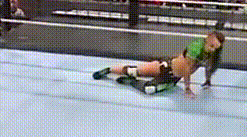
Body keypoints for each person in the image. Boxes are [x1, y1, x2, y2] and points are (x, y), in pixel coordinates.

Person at [92, 31, 225, 98]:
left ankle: (131, 82)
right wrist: (187, 89)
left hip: (173, 78)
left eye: (216, 48)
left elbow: (209, 66)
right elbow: (186, 69)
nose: (212, 49)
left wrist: (208, 79)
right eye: (212, 45)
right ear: (207, 38)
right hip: (167, 67)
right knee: (135, 70)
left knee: (149, 89)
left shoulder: (211, 53)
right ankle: (109, 70)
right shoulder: (197, 47)